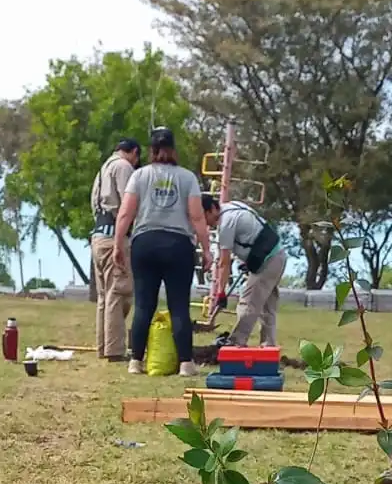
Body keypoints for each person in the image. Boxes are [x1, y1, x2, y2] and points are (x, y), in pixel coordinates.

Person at [114, 127, 210, 375]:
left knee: (144, 304)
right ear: (173, 150)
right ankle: (186, 363)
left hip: (145, 242)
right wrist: (207, 249)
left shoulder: (139, 176)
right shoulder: (187, 178)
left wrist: (117, 244)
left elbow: (126, 212)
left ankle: (136, 361)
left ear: (152, 150)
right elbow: (197, 216)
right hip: (178, 245)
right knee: (179, 305)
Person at [202, 194, 286, 347]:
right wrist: (250, 260)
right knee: (267, 306)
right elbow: (253, 234)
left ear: (213, 209)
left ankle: (235, 344)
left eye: (204, 216)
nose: (205, 223)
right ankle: (269, 347)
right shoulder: (233, 206)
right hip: (278, 254)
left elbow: (224, 262)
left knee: (248, 302)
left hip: (267, 260)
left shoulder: (225, 223)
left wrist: (221, 292)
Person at [89, 137, 141, 360]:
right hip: (114, 238)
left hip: (99, 237)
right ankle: (115, 350)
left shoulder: (103, 169)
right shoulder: (123, 167)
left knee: (105, 297)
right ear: (134, 152)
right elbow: (128, 203)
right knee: (119, 294)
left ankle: (104, 347)